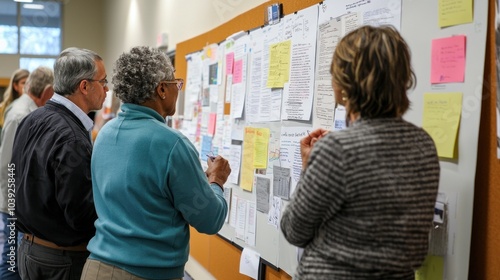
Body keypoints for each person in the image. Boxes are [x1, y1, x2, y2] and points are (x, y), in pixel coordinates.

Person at [280, 25, 441, 279]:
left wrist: (309, 169)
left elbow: (294, 230)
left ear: (346, 84)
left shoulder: (336, 151)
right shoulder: (424, 145)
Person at [81, 46, 230, 280]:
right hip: (146, 274)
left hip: (96, 268)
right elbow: (209, 219)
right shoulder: (172, 144)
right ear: (161, 89)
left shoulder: (104, 135)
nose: (177, 90)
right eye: (175, 84)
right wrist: (216, 181)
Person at [11, 48, 108, 280]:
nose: (107, 88)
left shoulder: (30, 119)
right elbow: (80, 215)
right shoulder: (71, 137)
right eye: (103, 81)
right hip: (60, 261)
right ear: (84, 86)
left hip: (28, 250)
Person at [0, 66, 54, 280]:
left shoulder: (28, 110)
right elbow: (7, 166)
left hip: (18, 203)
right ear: (48, 90)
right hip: (14, 205)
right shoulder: (21, 114)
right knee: (11, 261)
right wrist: (14, 207)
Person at [0, 69, 29, 133]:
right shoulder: (4, 107)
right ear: (15, 86)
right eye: (23, 83)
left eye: (28, 83)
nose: (26, 86)